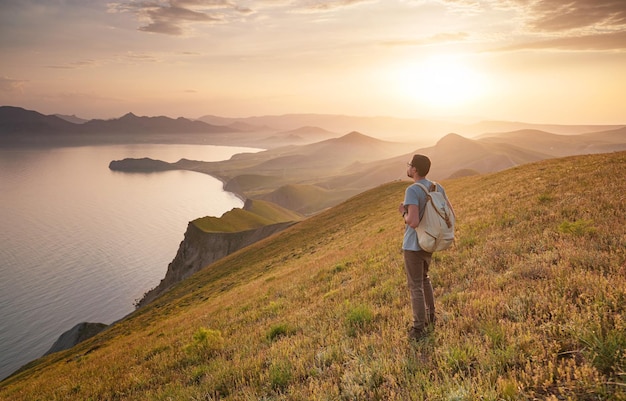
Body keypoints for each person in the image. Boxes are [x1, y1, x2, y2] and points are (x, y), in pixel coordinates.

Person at [398, 154, 454, 342]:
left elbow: (412, 221)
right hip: (430, 241)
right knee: (424, 278)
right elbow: (450, 213)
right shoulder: (437, 187)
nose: (408, 168)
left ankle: (418, 327)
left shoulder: (413, 190)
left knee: (415, 286)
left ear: (414, 170)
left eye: (409, 165)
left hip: (413, 244)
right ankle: (431, 316)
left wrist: (403, 212)